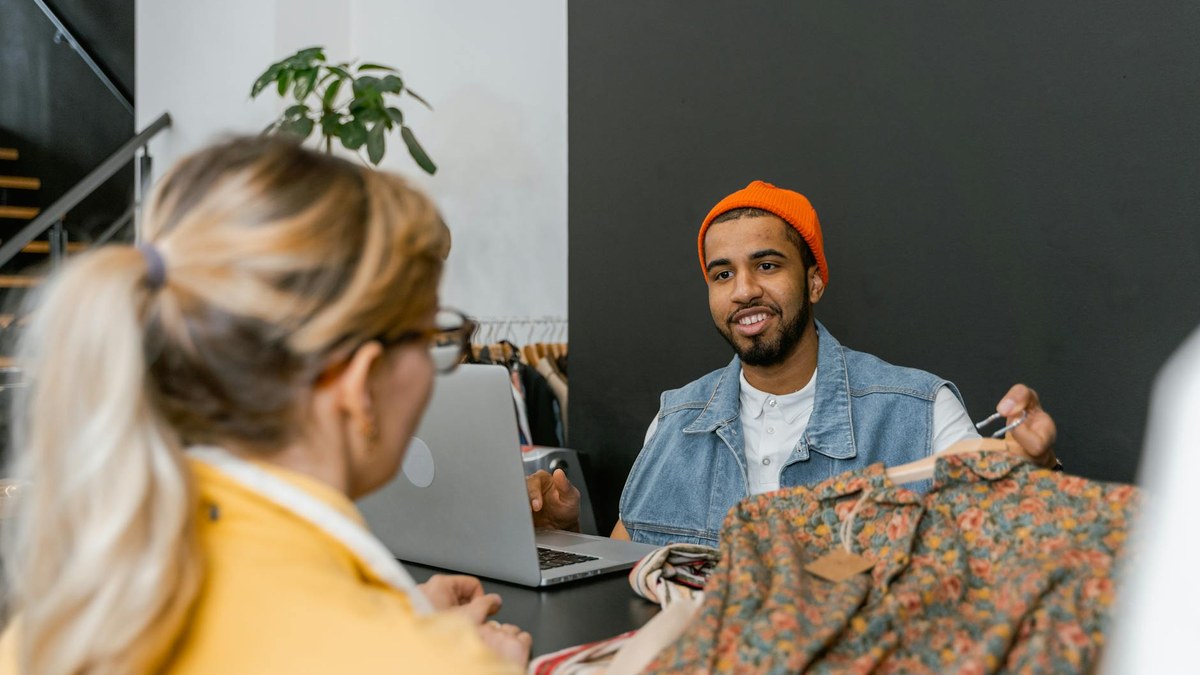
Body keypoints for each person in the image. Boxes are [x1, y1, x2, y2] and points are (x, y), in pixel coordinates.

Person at [0, 137, 530, 673]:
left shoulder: (71, 611)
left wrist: (400, 615)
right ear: (361, 382)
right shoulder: (432, 664)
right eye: (431, 336)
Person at [529, 180, 1059, 546]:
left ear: (814, 280)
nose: (744, 291)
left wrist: (1036, 472)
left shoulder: (919, 411)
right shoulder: (674, 420)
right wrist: (565, 534)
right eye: (722, 275)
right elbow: (630, 571)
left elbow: (1007, 548)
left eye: (766, 265)